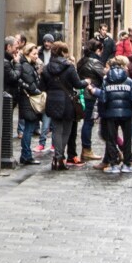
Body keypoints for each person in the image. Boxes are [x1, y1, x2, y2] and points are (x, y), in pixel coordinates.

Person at [40, 41, 81, 169]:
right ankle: (59, 156)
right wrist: (87, 82)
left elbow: (41, 87)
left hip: (52, 100)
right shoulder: (69, 67)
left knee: (56, 129)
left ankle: (58, 157)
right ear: (63, 52)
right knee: (67, 130)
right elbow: (78, 84)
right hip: (67, 101)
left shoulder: (46, 68)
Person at [97, 58, 132, 173]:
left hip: (110, 114)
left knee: (111, 139)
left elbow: (103, 99)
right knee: (127, 139)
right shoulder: (129, 81)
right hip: (126, 113)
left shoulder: (106, 81)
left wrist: (103, 112)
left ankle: (113, 165)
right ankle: (127, 164)